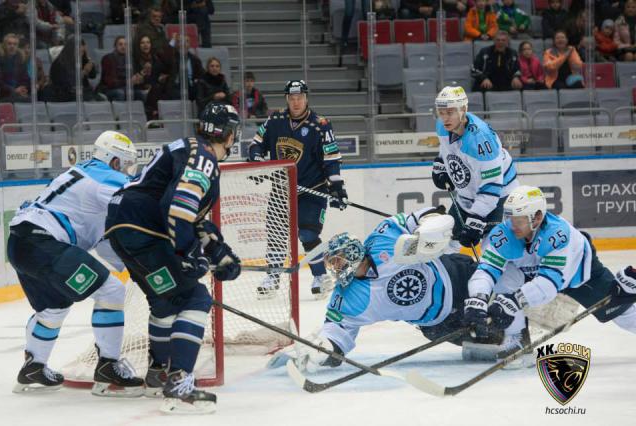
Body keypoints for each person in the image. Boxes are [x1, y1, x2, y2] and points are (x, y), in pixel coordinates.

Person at [105, 103, 242, 414]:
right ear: (230, 134)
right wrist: (185, 252)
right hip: (144, 230)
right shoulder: (205, 157)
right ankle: (179, 383)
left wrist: (217, 252)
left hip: (124, 229)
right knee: (194, 298)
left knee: (164, 302)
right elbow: (179, 206)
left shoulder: (190, 149)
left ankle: (159, 374)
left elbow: (189, 214)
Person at [267, 207, 495, 370]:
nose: (335, 268)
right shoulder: (347, 297)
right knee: (495, 346)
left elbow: (424, 215)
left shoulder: (383, 237)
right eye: (332, 264)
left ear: (353, 253)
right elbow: (336, 335)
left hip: (458, 277)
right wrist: (320, 351)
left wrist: (428, 230)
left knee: (510, 302)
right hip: (438, 324)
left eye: (338, 260)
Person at [8, 131, 144, 396]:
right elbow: (138, 207)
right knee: (112, 291)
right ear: (114, 160)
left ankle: (33, 367)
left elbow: (103, 242)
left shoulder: (81, 173)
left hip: (20, 244)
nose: (126, 170)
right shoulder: (108, 178)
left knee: (53, 307)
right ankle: (109, 367)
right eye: (124, 163)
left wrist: (135, 267)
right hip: (44, 243)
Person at [463, 185, 636, 359]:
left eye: (519, 219)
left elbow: (548, 284)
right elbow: (485, 270)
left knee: (622, 313)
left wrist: (514, 301)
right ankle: (517, 338)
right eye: (510, 217)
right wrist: (478, 298)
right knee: (502, 279)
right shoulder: (503, 234)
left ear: (537, 217)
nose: (512, 224)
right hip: (533, 273)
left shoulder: (558, 235)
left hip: (578, 274)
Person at [248, 80, 347, 299]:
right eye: (291, 98)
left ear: (306, 98)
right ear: (286, 99)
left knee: (308, 233)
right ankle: (273, 276)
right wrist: (255, 156)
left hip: (312, 190)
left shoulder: (320, 124)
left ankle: (320, 276)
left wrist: (337, 186)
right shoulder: (275, 120)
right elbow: (256, 142)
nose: (296, 102)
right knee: (275, 233)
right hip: (281, 189)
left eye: (299, 98)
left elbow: (331, 158)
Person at [432, 86, 519, 251]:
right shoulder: (442, 125)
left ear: (463, 109)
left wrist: (476, 219)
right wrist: (442, 166)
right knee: (446, 243)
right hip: (467, 194)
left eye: (450, 112)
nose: (444, 118)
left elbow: (492, 186)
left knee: (492, 250)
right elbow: (446, 149)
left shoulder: (481, 140)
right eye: (441, 112)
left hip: (500, 195)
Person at [47, 36, 102, 102]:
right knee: (92, 101)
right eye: (79, 52)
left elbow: (93, 76)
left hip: (82, 92)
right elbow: (70, 83)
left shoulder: (81, 59)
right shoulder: (59, 63)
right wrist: (84, 72)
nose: (81, 55)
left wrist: (87, 58)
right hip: (65, 94)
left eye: (83, 52)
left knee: (101, 99)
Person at [98, 36, 145, 102]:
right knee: (120, 93)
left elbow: (134, 78)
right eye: (120, 44)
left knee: (141, 94)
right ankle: (119, 112)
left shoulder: (131, 59)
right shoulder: (107, 59)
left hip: (126, 88)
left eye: (125, 44)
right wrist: (129, 81)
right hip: (110, 89)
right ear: (115, 46)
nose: (123, 47)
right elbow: (110, 82)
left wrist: (139, 79)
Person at [0, 33, 31, 103]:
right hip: (3, 95)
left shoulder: (20, 60)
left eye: (15, 44)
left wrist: (23, 88)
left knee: (30, 100)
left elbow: (25, 79)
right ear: (4, 45)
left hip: (17, 93)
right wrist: (14, 90)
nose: (12, 46)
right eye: (9, 44)